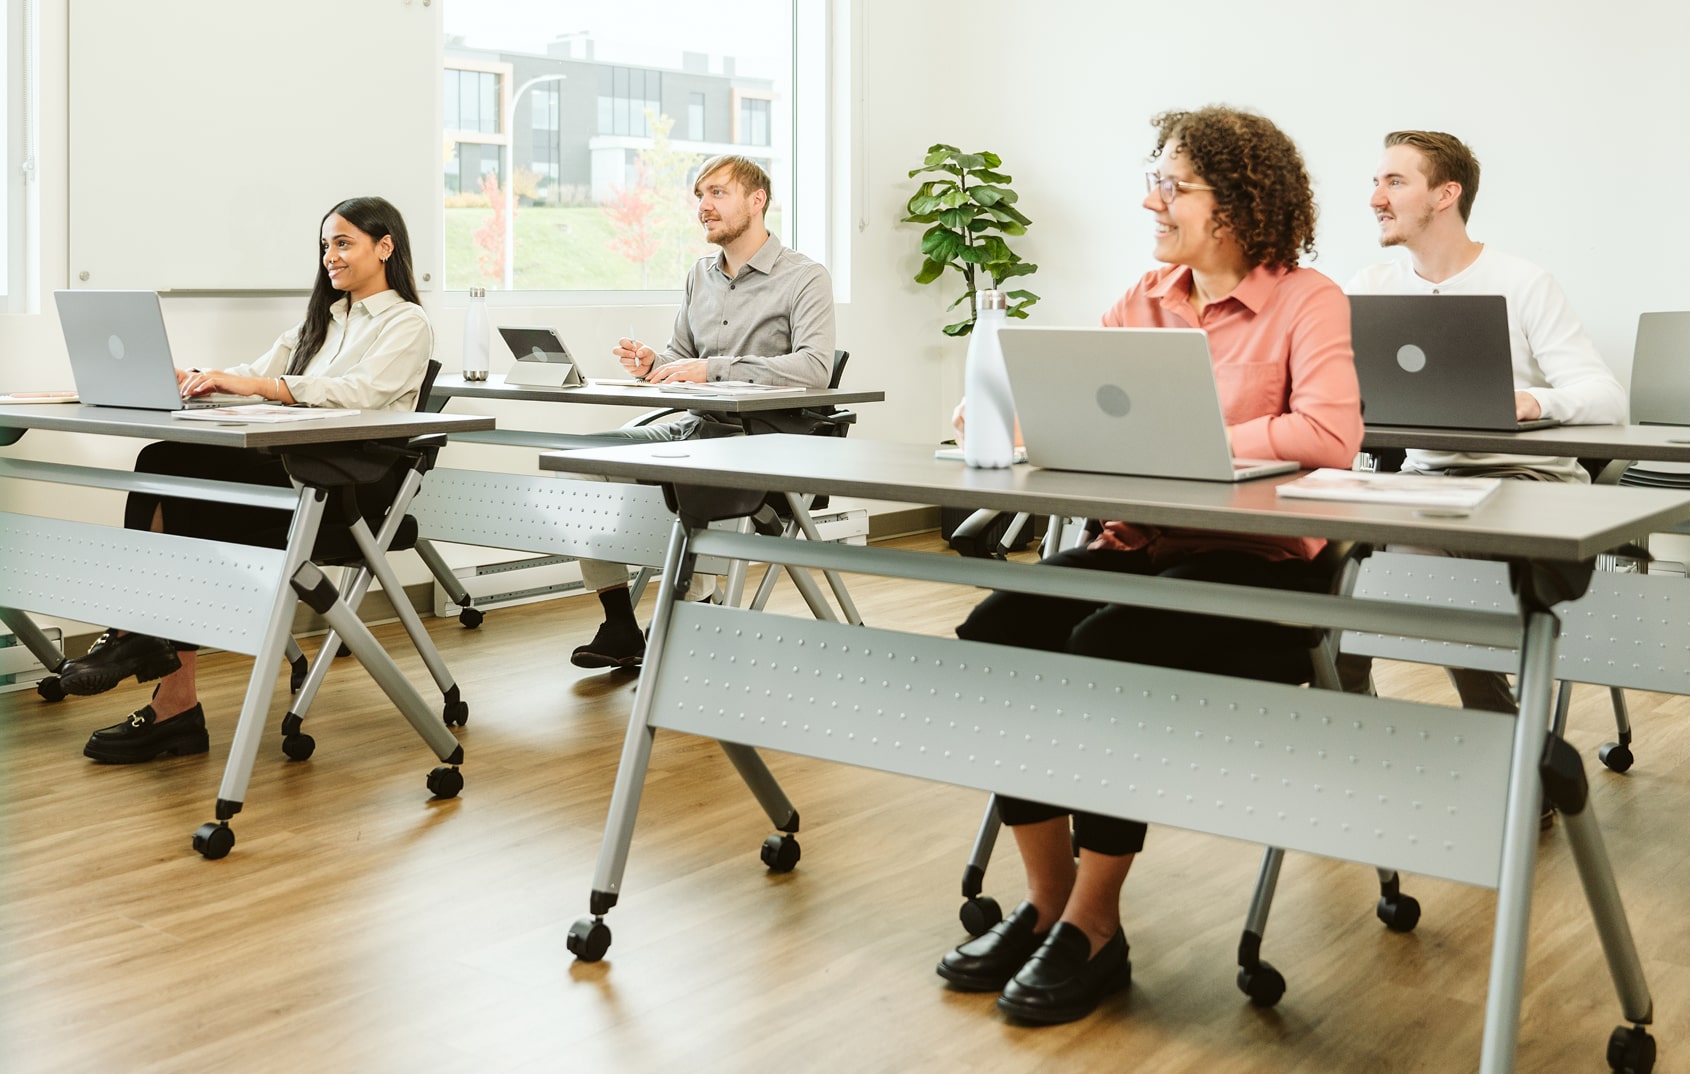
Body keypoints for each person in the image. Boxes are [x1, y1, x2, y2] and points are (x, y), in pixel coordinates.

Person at [936, 107, 1363, 1025]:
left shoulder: (1307, 298)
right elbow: (1082, 423)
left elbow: (1331, 435)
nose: (1151, 199)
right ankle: (1047, 904)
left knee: (1103, 644)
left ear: (1238, 203)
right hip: (1139, 545)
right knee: (998, 632)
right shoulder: (1143, 296)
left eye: (1173, 185)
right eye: (1155, 179)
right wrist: (1004, 428)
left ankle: (1095, 924)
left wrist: (1195, 440)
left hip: (1260, 570)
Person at [54, 195, 433, 764]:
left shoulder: (407, 322)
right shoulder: (317, 322)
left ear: (386, 247)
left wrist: (264, 388)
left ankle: (154, 667)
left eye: (343, 242)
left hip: (348, 488)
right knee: (164, 461)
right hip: (292, 475)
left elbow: (363, 394)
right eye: (325, 244)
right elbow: (254, 374)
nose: (330, 256)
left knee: (177, 482)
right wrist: (202, 377)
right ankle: (160, 675)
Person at [1341, 131, 1627, 716]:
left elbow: (1607, 398)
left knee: (1427, 555)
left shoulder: (1523, 282)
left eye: (1394, 181)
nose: (1376, 197)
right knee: (1336, 558)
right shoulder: (1371, 288)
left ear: (1446, 194)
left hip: (1529, 486)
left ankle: (1510, 748)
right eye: (1375, 181)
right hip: (1427, 484)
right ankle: (1352, 720)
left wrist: (1533, 402)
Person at [569, 154, 837, 671]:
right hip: (698, 426)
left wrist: (710, 369)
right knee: (584, 459)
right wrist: (655, 363)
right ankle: (619, 623)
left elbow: (813, 370)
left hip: (767, 439)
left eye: (717, 193)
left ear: (757, 200)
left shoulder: (805, 278)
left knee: (694, 476)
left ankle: (699, 609)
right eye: (700, 196)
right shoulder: (700, 276)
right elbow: (681, 357)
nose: (704, 207)